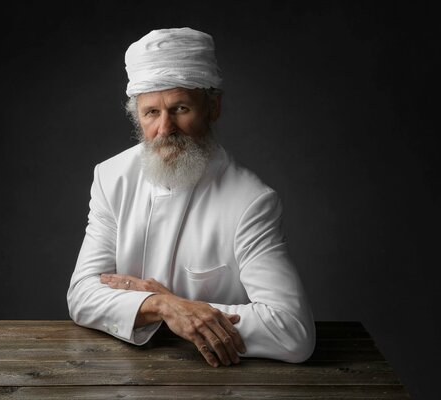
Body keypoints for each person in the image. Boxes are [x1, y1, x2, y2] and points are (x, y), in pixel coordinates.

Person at [67, 27, 315, 367]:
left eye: (180, 108)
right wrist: (164, 307)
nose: (165, 129)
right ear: (137, 116)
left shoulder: (251, 201)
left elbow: (293, 332)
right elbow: (82, 296)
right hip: (123, 373)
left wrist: (177, 306)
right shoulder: (111, 178)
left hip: (218, 377)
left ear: (213, 107)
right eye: (151, 112)